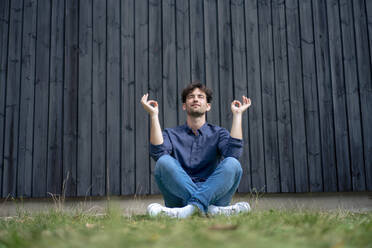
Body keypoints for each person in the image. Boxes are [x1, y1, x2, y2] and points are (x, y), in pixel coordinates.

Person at [141, 82, 252, 218]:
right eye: (191, 96)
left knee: (233, 164)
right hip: (179, 196)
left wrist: (238, 115)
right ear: (184, 105)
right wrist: (153, 115)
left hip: (214, 195)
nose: (195, 99)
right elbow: (158, 153)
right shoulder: (171, 134)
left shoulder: (219, 133)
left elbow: (233, 154)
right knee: (163, 162)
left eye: (200, 96)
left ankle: (189, 210)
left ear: (208, 106)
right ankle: (210, 210)